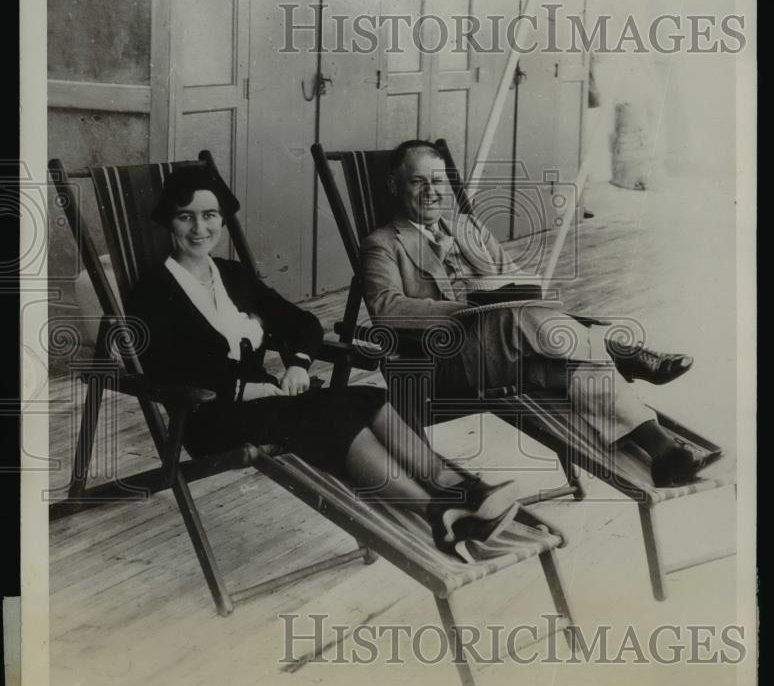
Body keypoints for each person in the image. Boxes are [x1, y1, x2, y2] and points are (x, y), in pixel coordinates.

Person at [126, 163, 526, 563]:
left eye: (209, 215)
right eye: (186, 216)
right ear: (169, 221)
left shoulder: (231, 275)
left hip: (268, 404)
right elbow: (162, 367)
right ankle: (438, 514)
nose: (199, 228)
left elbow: (300, 322)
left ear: (223, 220)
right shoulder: (151, 290)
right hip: (209, 417)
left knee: (368, 397)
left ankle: (461, 489)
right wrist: (246, 388)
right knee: (331, 411)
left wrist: (298, 364)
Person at [360, 140, 721, 488]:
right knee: (522, 320)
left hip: (512, 348)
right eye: (417, 181)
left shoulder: (467, 227)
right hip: (447, 358)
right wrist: (467, 309)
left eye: (438, 181)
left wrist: (497, 286)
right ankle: (616, 349)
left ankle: (664, 452)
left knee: (575, 365)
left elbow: (514, 278)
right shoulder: (384, 243)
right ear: (395, 186)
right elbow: (385, 308)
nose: (431, 191)